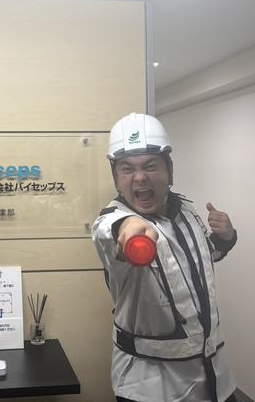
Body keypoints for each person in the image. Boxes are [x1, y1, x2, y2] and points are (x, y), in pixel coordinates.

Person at [92, 113, 238, 402]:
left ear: (169, 170)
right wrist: (130, 231)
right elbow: (111, 234)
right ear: (116, 178)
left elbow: (201, 260)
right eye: (127, 169)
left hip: (215, 377)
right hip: (150, 386)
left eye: (150, 166)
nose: (140, 177)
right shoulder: (111, 221)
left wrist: (225, 239)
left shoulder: (186, 211)